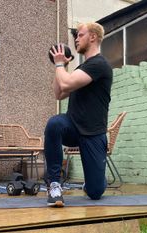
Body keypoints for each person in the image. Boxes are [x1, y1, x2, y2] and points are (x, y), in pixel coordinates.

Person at [45, 22, 113, 207]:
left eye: (80, 35)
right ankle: (54, 184)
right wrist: (61, 67)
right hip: (72, 126)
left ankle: (94, 181)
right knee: (54, 124)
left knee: (95, 192)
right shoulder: (80, 70)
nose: (76, 38)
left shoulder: (99, 64)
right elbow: (59, 93)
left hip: (94, 133)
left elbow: (66, 84)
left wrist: (60, 64)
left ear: (92, 37)